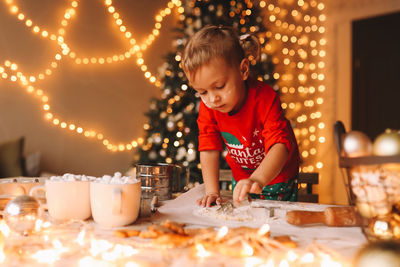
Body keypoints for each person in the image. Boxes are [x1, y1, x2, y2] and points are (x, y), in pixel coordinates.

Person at [181, 25, 299, 207]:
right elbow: (209, 147)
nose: (213, 98)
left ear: (243, 70)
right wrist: (212, 191)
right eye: (202, 92)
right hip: (242, 179)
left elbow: (280, 147)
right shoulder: (209, 107)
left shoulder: (265, 98)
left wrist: (258, 179)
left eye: (219, 86)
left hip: (277, 179)